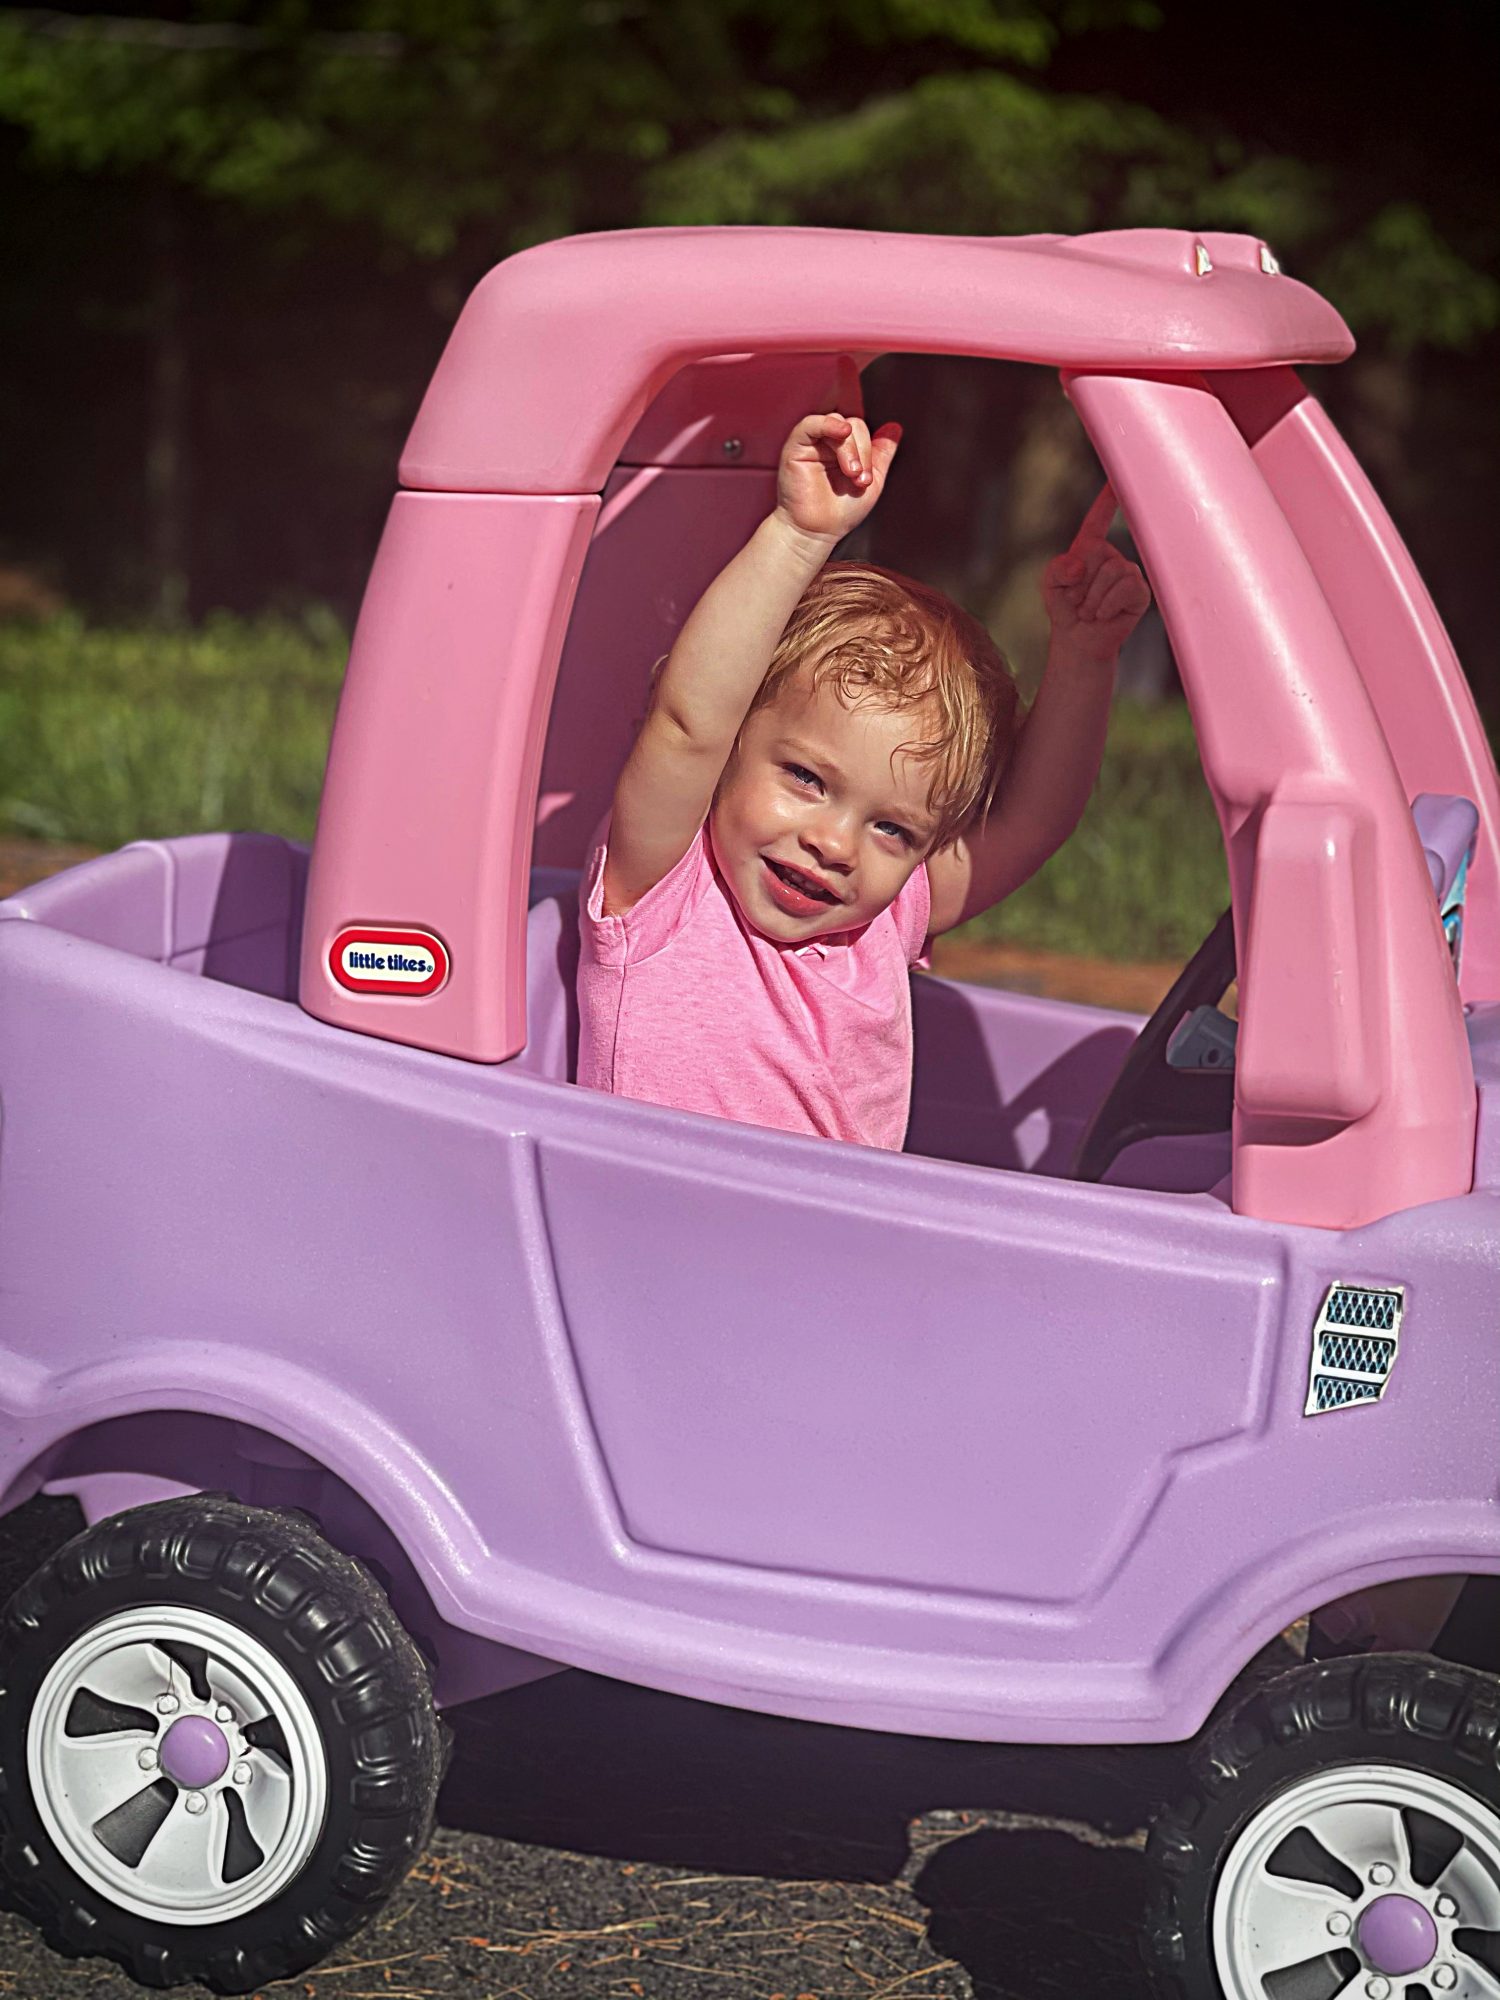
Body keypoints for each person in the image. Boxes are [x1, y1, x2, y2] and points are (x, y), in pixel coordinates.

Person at [576, 409, 1150, 1149]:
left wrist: (1084, 656)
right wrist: (799, 535)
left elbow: (1031, 824)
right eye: (807, 779)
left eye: (892, 828)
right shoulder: (665, 891)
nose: (835, 842)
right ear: (732, 748)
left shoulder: (880, 919)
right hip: (656, 1249)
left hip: (832, 1258)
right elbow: (687, 726)